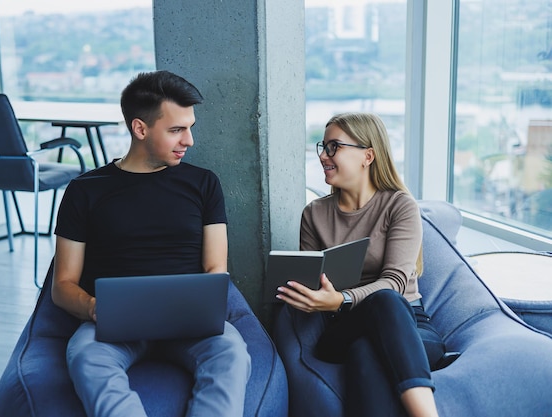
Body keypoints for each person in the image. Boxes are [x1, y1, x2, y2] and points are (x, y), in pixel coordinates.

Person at [51, 70, 251, 417]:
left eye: (190, 127)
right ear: (140, 128)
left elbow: (215, 269)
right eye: (176, 130)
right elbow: (63, 285)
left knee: (232, 352)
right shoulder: (85, 190)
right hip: (113, 325)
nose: (188, 140)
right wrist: (94, 308)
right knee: (86, 356)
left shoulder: (204, 184)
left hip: (189, 323)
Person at [276, 112, 449, 417]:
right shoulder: (314, 214)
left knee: (367, 346)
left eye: (334, 147)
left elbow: (395, 281)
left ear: (367, 156)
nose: (323, 157)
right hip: (342, 327)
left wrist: (341, 298)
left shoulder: (399, 205)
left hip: (408, 324)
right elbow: (313, 280)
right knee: (368, 326)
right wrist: (306, 294)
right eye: (323, 147)